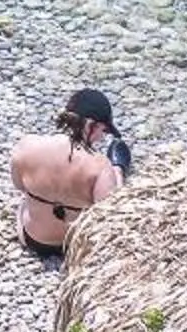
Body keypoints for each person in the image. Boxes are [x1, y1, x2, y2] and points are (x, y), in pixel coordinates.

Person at [10, 85, 132, 261]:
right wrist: (115, 174)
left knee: (28, 198)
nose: (102, 137)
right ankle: (119, 169)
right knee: (114, 181)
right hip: (76, 246)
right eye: (103, 130)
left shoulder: (27, 146)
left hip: (33, 238)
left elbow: (18, 185)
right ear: (91, 125)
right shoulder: (99, 166)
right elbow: (109, 216)